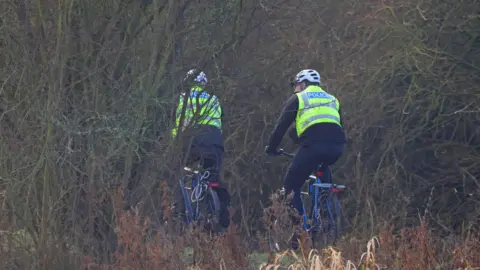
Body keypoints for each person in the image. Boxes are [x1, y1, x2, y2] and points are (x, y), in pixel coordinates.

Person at [264, 69, 346, 246]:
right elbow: (335, 125)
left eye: (296, 85)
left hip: (312, 147)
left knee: (290, 186)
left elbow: (281, 126)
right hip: (337, 147)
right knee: (322, 170)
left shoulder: (299, 98)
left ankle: (301, 229)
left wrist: (271, 147)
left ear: (302, 84)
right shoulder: (332, 99)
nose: (296, 88)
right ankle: (326, 206)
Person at [171, 68, 230, 229]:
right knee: (213, 176)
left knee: (179, 173)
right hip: (214, 143)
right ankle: (220, 215)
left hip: (191, 142)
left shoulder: (182, 99)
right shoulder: (214, 99)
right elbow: (219, 123)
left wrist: (174, 143)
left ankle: (179, 210)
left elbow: (177, 126)